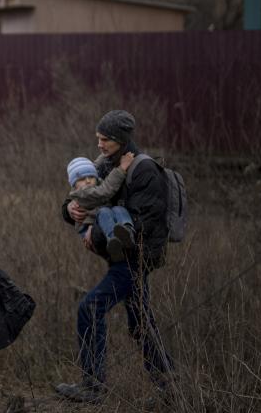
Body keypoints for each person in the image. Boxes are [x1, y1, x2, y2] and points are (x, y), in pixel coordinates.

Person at [56, 110, 174, 404]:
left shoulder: (144, 170)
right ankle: (170, 389)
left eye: (104, 139)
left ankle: (93, 386)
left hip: (135, 259)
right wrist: (69, 210)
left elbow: (146, 224)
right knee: (141, 323)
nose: (98, 144)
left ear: (120, 140)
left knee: (90, 309)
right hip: (121, 259)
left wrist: (95, 234)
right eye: (97, 138)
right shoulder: (108, 165)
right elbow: (84, 193)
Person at [66, 154, 135, 262]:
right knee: (104, 211)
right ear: (74, 185)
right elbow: (105, 190)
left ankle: (128, 232)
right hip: (89, 228)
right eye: (82, 179)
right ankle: (113, 241)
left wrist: (105, 153)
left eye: (91, 177)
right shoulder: (83, 193)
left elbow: (95, 165)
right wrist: (121, 169)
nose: (88, 181)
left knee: (118, 209)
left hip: (104, 221)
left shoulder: (95, 183)